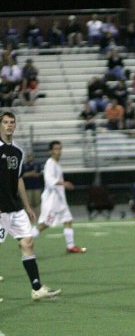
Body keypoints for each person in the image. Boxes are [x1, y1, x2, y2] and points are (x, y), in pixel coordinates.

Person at [0, 111, 60, 301]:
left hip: (15, 206)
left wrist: (27, 206)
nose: (9, 125)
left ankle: (36, 288)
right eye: (5, 122)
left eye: (12, 122)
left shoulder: (18, 151)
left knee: (27, 242)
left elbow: (18, 180)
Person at [32, 141, 86, 254]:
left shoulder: (56, 164)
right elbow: (49, 180)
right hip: (52, 200)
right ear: (50, 151)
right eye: (56, 149)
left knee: (68, 220)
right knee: (45, 224)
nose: (58, 151)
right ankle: (27, 240)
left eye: (60, 149)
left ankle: (70, 246)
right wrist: (63, 183)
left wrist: (63, 185)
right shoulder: (50, 163)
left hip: (60, 200)